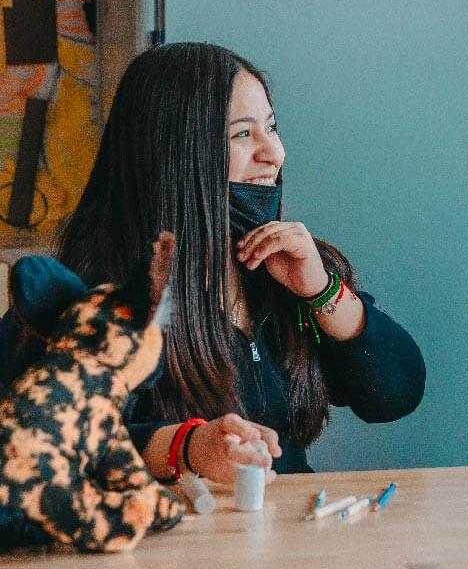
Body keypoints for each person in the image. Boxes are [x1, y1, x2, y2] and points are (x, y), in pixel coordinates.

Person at [0, 42, 425, 483]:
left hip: (290, 533)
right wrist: (184, 447)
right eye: (243, 134)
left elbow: (395, 395)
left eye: (271, 127)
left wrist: (322, 292)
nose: (274, 154)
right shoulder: (85, 297)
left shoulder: (292, 268)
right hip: (163, 541)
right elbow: (35, 442)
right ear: (177, 155)